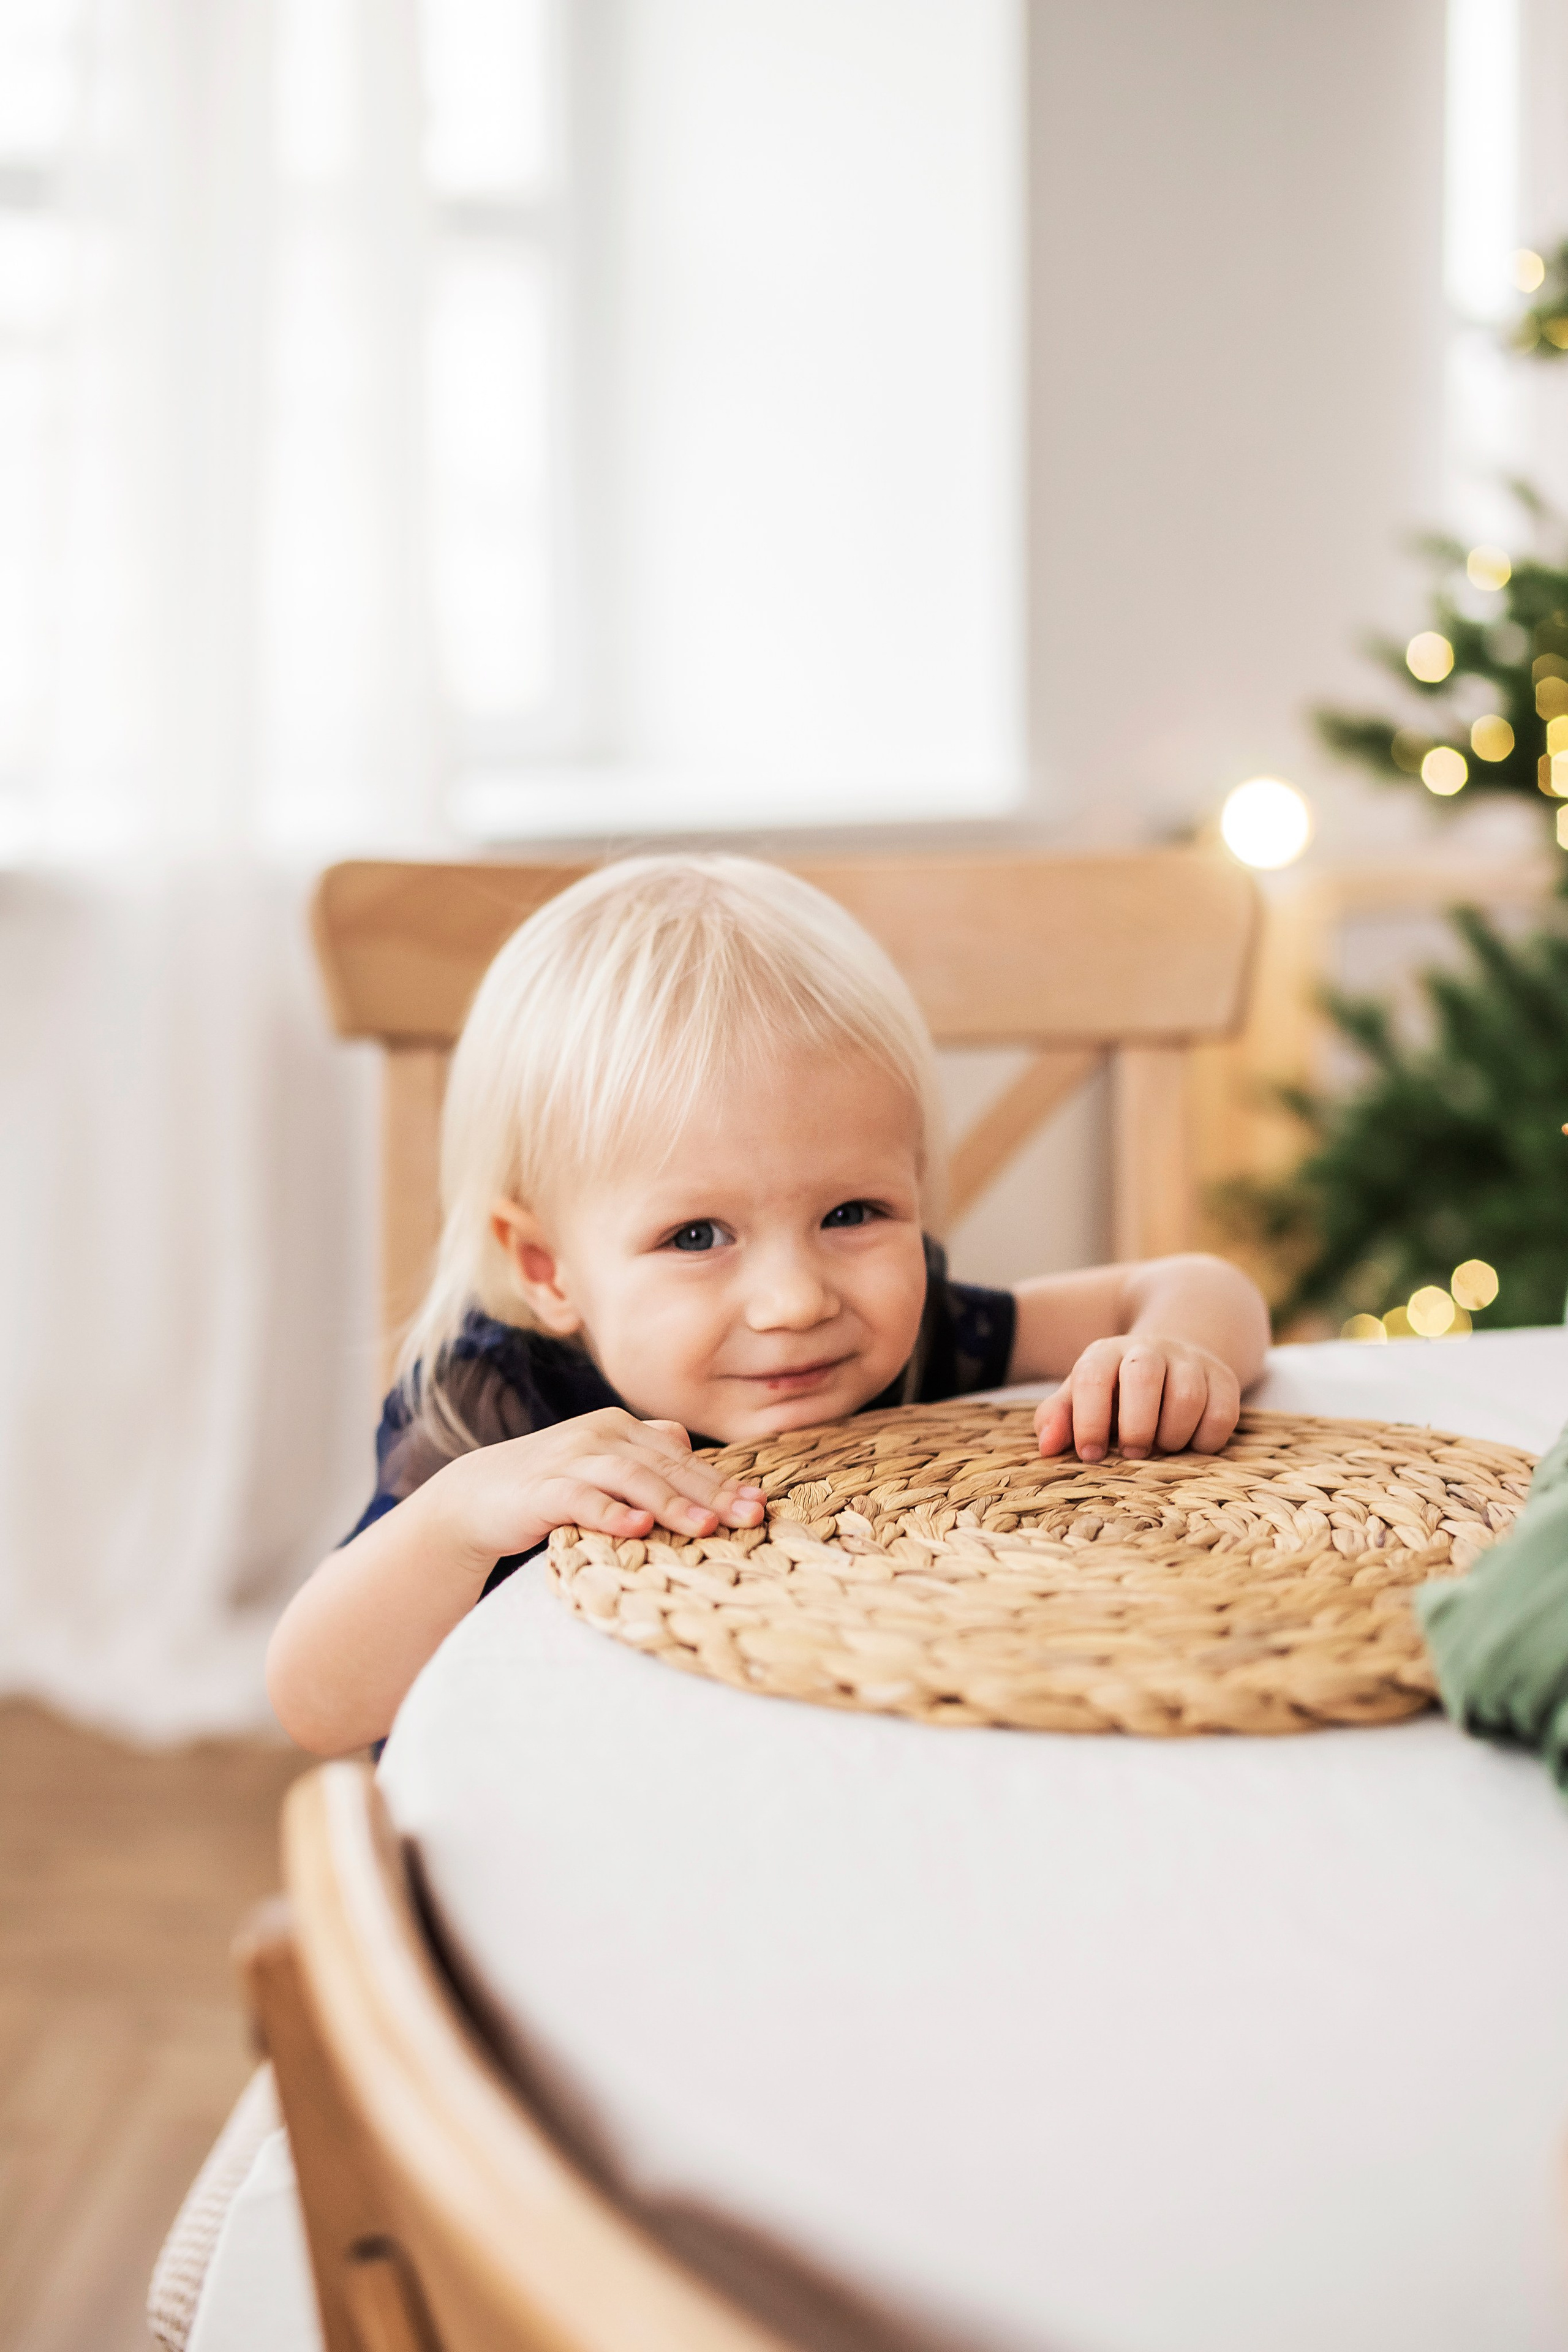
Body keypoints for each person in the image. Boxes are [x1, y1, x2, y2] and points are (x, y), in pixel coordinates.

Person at [268, 855, 1269, 1754]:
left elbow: (1191, 1286)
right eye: (697, 1236)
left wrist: (1172, 1350)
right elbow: (318, 1705)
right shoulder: (497, 1404)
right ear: (547, 1268)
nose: (795, 1302)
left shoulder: (913, 1338)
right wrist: (458, 1519)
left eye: (852, 1211)